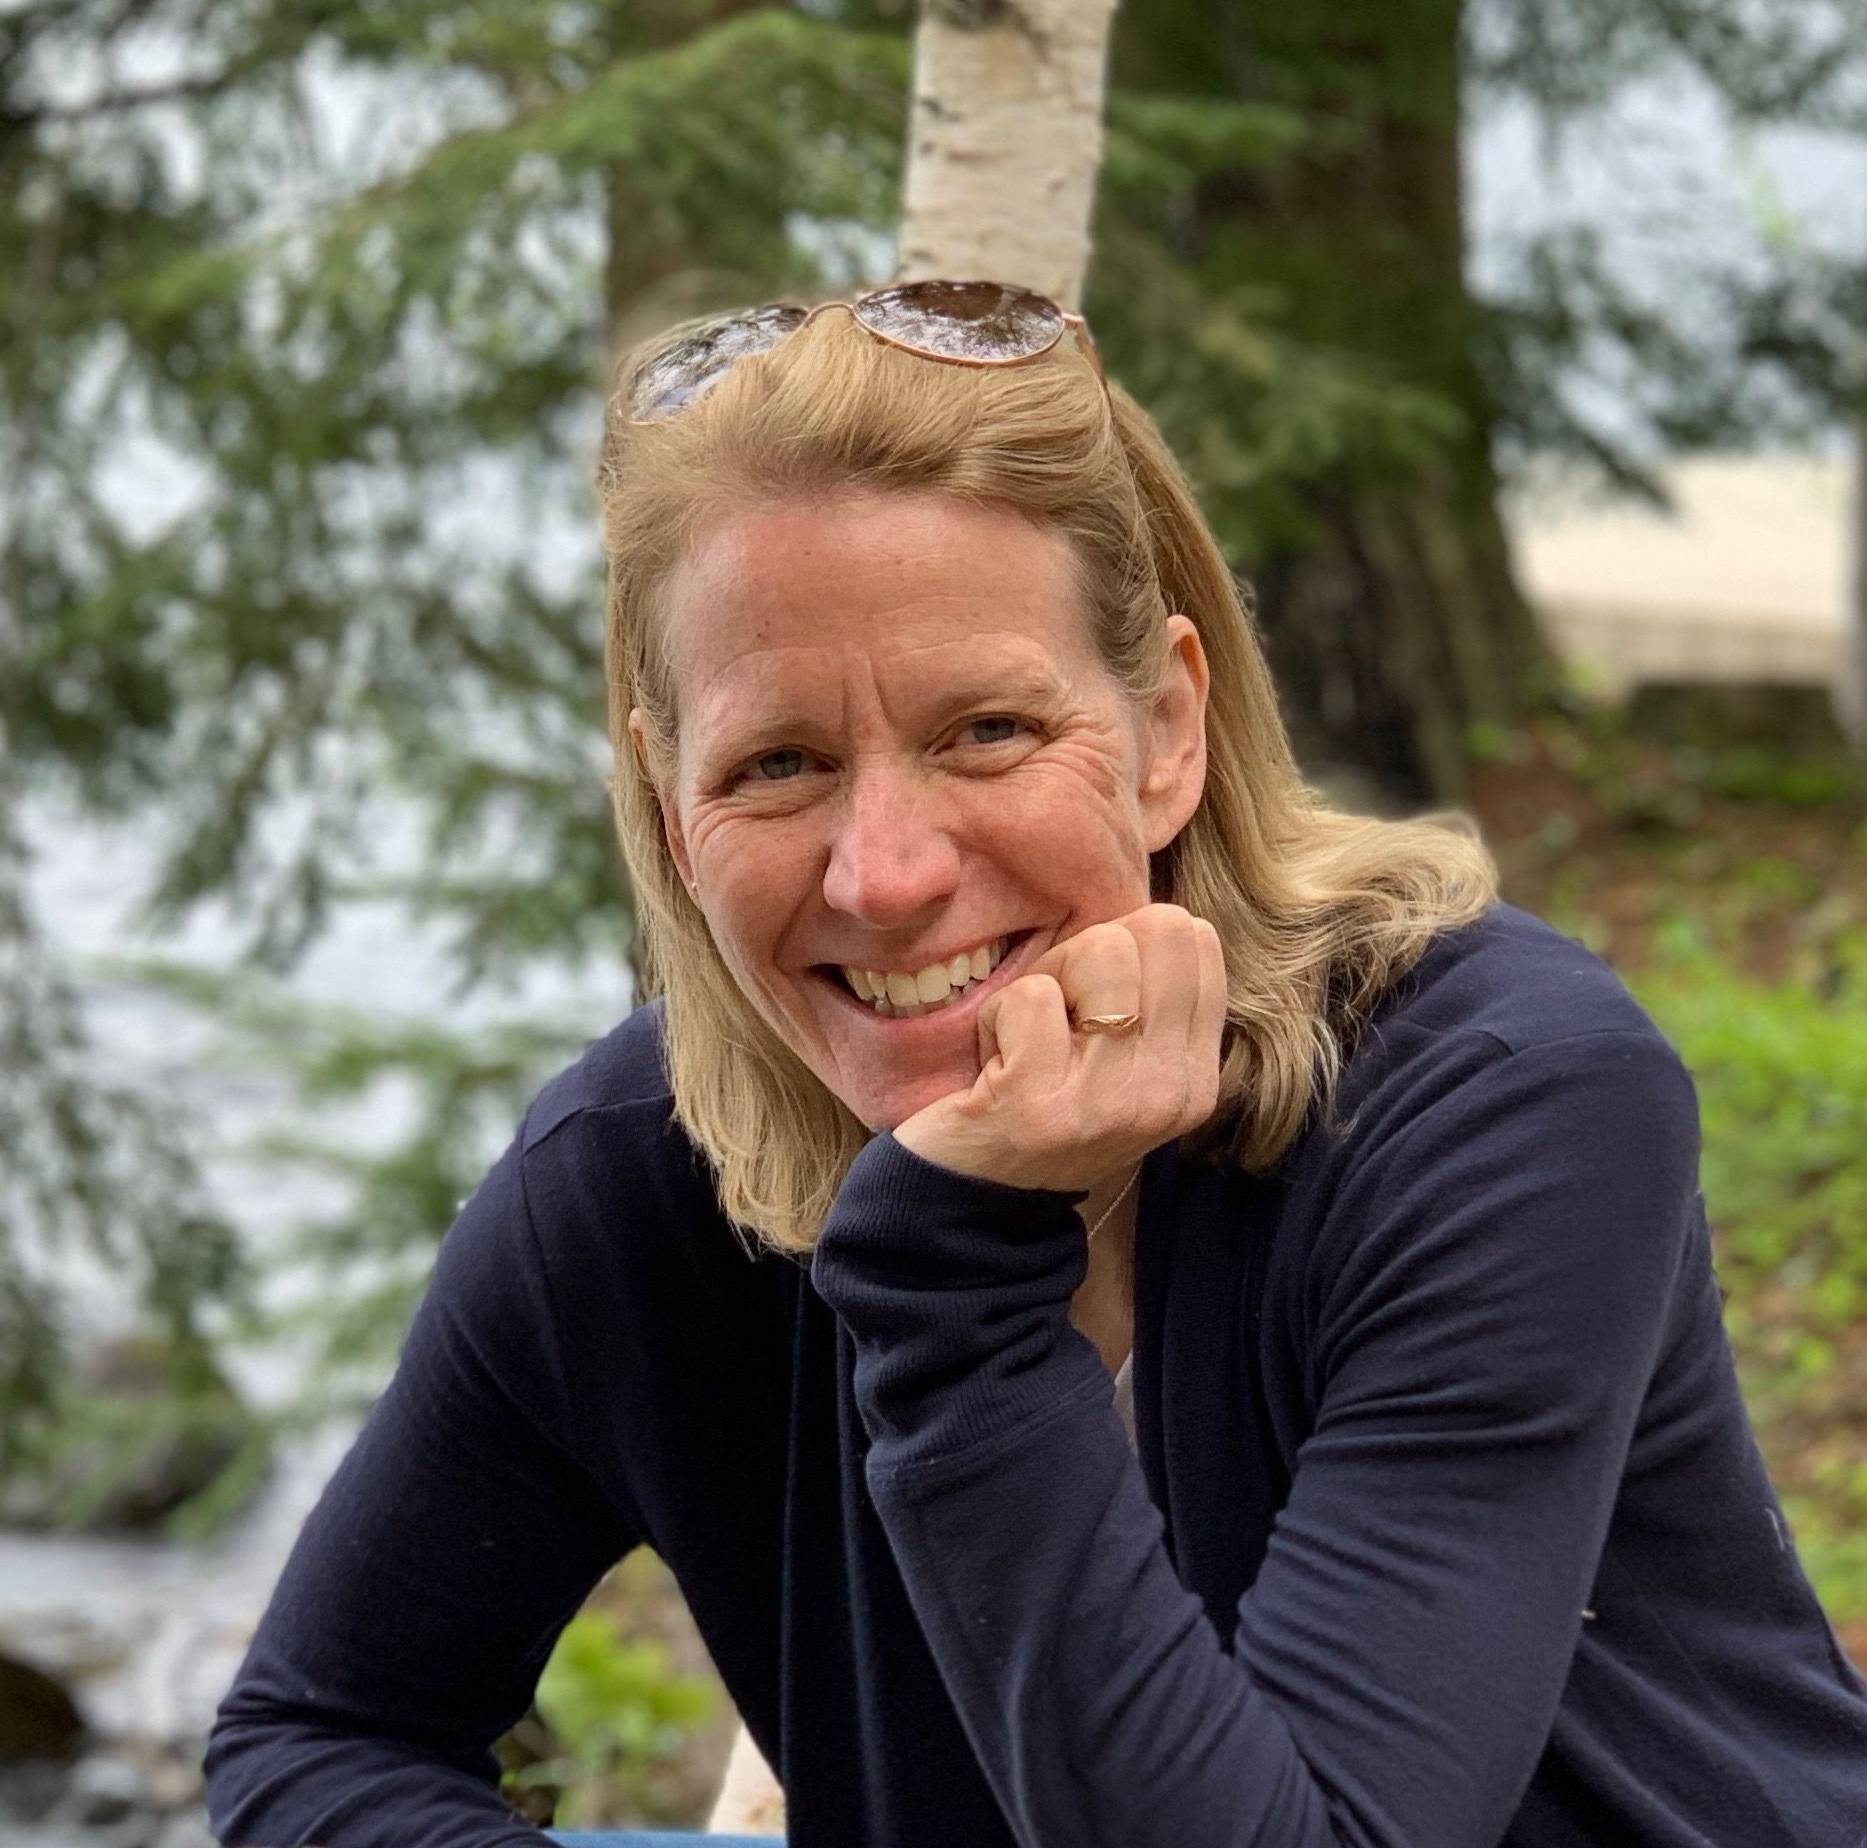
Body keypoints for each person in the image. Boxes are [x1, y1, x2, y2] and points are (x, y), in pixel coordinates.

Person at [203, 280, 1867, 1848]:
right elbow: (320, 1734)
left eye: (986, 732)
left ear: (1165, 734)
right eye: (777, 764)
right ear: (665, 805)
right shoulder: (641, 1173)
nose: (885, 875)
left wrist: (954, 1281)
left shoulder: (1498, 1105)